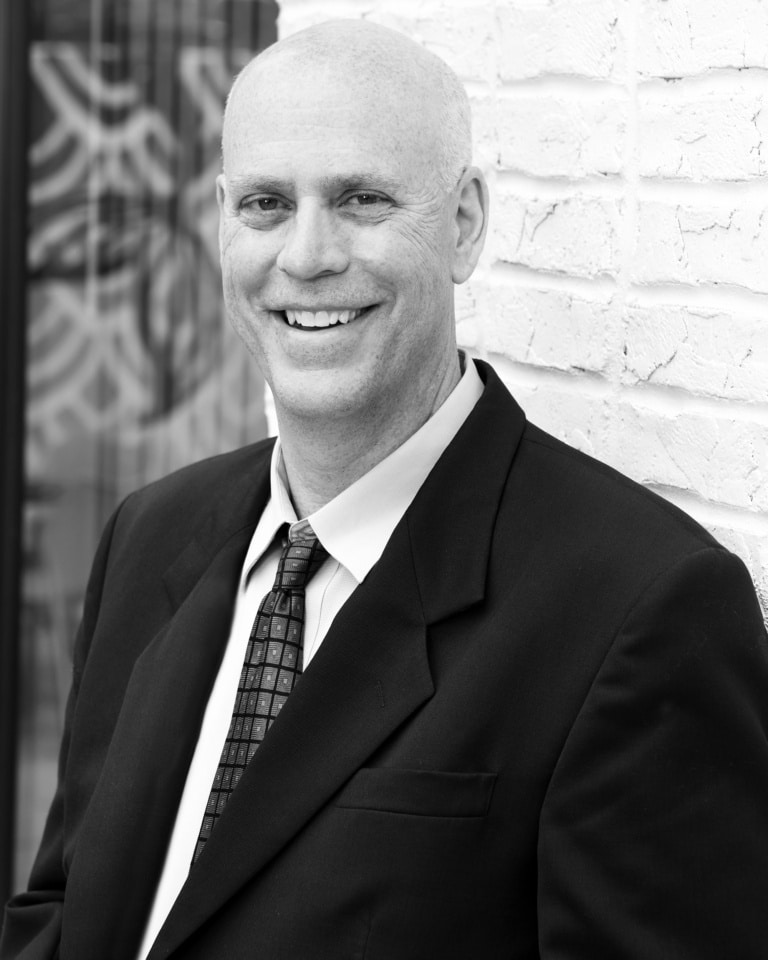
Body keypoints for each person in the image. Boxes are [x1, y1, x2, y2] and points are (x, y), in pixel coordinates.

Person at [3, 18, 768, 960]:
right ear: (221, 219)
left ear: (464, 224)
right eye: (266, 205)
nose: (306, 255)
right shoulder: (150, 533)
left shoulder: (642, 610)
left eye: (362, 200)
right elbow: (64, 906)